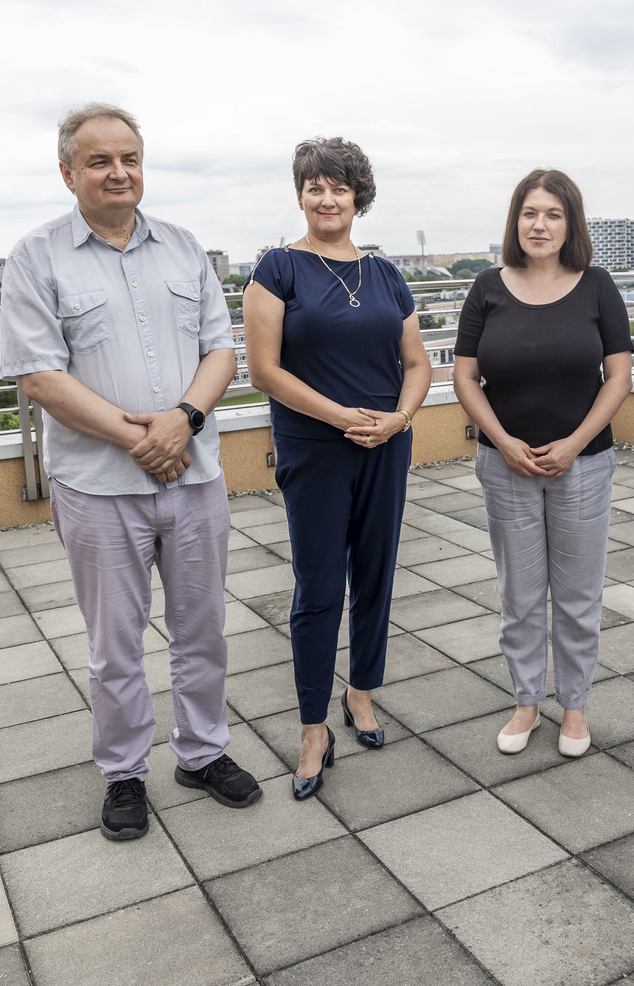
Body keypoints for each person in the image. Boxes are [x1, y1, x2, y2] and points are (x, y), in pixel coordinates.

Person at [0, 102, 262, 840]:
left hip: (194, 475)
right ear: (68, 173)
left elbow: (221, 350)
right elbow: (39, 376)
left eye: (130, 159)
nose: (119, 173)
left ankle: (202, 752)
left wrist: (184, 421)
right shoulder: (35, 257)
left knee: (202, 629)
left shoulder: (184, 247)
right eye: (100, 161)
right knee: (114, 644)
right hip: (98, 487)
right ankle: (123, 772)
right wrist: (142, 439)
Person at [242, 137, 431, 801]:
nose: (327, 199)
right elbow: (264, 370)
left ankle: (362, 692)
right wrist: (342, 416)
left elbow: (418, 364)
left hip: (386, 445)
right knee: (319, 588)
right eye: (315, 187)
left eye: (339, 188)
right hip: (315, 448)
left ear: (359, 198)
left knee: (376, 576)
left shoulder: (385, 275)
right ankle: (312, 727)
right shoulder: (277, 269)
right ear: (300, 195)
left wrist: (399, 419)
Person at [453, 170, 633, 758]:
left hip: (582, 464)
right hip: (506, 464)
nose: (540, 224)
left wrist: (575, 443)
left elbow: (619, 377)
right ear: (516, 221)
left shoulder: (597, 286)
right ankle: (527, 701)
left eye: (553, 214)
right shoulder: (487, 287)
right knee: (521, 594)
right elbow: (464, 376)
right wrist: (502, 441)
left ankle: (574, 707)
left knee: (578, 595)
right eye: (530, 213)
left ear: (570, 223)